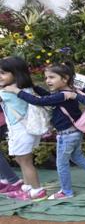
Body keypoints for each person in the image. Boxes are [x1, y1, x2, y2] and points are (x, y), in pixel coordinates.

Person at [4, 63, 85, 200]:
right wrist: (34, 86)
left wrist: (17, 91)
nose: (47, 81)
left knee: (61, 165)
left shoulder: (62, 95)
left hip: (66, 136)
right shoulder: (67, 92)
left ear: (65, 79)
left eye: (51, 77)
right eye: (46, 77)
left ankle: (66, 192)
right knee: (77, 156)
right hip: (75, 132)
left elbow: (39, 101)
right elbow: (48, 96)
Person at [0, 57, 45, 200]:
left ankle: (37, 190)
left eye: (2, 73)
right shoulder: (23, 88)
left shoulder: (9, 91)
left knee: (25, 162)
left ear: (16, 73)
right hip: (23, 130)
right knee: (21, 160)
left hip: (22, 130)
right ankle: (27, 188)